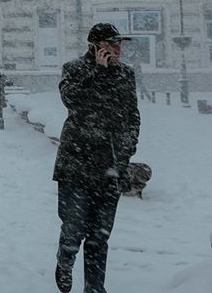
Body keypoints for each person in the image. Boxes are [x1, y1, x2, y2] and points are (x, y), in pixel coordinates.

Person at [53, 23, 140, 293]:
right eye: (112, 43)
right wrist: (97, 73)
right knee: (74, 229)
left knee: (99, 237)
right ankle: (65, 260)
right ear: (96, 46)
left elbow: (132, 116)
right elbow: (72, 100)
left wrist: (126, 150)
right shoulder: (75, 69)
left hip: (110, 167)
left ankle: (94, 288)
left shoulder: (126, 74)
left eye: (119, 43)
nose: (118, 48)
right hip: (76, 165)